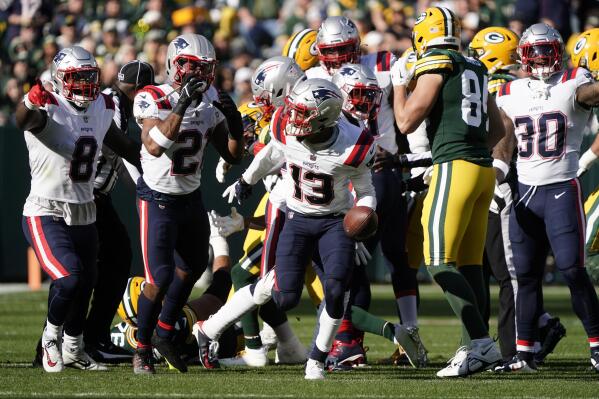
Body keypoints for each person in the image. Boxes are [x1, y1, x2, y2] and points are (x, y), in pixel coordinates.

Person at [193, 78, 377, 380]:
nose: (292, 117)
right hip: (297, 219)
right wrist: (246, 181)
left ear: (325, 118)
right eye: (293, 109)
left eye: (302, 113)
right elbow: (273, 154)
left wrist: (366, 211)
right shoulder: (285, 125)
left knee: (335, 289)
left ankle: (316, 360)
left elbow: (366, 188)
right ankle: (208, 328)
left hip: (334, 223)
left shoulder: (355, 143)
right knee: (283, 296)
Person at [392, 6, 506, 377]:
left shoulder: (437, 62)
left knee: (438, 261)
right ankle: (473, 348)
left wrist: (398, 85)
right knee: (471, 265)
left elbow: (407, 121)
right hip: (482, 171)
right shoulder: (474, 65)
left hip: (454, 168)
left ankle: (481, 344)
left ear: (423, 35)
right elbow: (498, 131)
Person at [306, 15, 425, 367]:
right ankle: (370, 340)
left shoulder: (386, 64)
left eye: (344, 50)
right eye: (332, 51)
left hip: (376, 172)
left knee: (385, 258)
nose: (339, 58)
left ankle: (368, 341)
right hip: (352, 175)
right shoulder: (318, 77)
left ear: (357, 47)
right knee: (368, 261)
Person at [15, 46, 142, 373]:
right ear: (59, 79)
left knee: (86, 283)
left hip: (85, 209)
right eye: (77, 77)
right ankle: (50, 338)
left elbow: (125, 146)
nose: (85, 83)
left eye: (89, 76)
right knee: (70, 279)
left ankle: (74, 349)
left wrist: (160, 158)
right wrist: (29, 100)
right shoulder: (50, 106)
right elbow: (25, 119)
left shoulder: (101, 106)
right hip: (47, 210)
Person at [131, 33, 244, 374]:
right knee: (159, 276)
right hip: (157, 198)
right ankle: (141, 347)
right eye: (192, 68)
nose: (199, 76)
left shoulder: (209, 98)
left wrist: (234, 119)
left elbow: (233, 155)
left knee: (193, 267)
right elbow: (154, 146)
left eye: (204, 69)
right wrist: (181, 104)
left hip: (190, 196)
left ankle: (166, 332)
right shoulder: (152, 96)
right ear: (175, 65)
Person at [494, 23, 599, 373]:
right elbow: (505, 138)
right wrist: (495, 176)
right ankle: (525, 353)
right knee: (525, 276)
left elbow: (591, 93)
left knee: (571, 269)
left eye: (546, 50)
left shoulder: (574, 81)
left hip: (561, 187)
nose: (540, 59)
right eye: (534, 52)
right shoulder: (509, 90)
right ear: (523, 55)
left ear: (559, 51)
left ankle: (597, 345)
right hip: (524, 191)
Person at [468, 27, 567, 365]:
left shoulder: (502, 87)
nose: (474, 55)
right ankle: (539, 325)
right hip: (498, 179)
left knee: (509, 272)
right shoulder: (504, 84)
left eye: (479, 50)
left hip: (506, 180)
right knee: (496, 269)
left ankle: (517, 348)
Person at [83, 60, 156, 364]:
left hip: (95, 196)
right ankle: (85, 339)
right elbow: (119, 142)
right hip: (87, 195)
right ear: (138, 90)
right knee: (87, 269)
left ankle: (90, 336)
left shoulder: (119, 103)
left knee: (114, 259)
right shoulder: (111, 104)